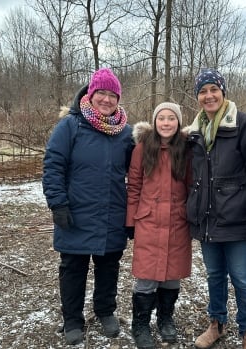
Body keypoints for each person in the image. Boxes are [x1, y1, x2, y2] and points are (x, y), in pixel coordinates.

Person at [42, 68, 134, 346]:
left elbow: (142, 169)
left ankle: (105, 311)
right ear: (90, 94)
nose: (107, 99)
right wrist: (58, 203)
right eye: (101, 93)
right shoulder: (70, 126)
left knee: (109, 266)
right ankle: (72, 319)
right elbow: (53, 166)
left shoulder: (125, 132)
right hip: (76, 213)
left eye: (112, 95)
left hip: (112, 212)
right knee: (73, 267)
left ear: (118, 99)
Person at [184, 68, 246, 349]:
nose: (208, 95)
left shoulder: (244, 125)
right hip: (208, 220)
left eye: (213, 89)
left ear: (223, 92)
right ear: (197, 97)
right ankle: (217, 323)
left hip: (238, 220)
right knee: (214, 276)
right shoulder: (195, 132)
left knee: (243, 278)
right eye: (202, 91)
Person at [125, 102, 192, 349]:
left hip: (177, 222)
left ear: (178, 122)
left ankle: (165, 319)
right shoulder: (142, 148)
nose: (166, 123)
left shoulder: (186, 149)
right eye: (161, 118)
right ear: (154, 122)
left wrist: (192, 216)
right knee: (147, 277)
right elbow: (133, 186)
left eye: (171, 118)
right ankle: (140, 324)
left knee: (172, 277)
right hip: (149, 222)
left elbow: (191, 185)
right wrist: (131, 221)